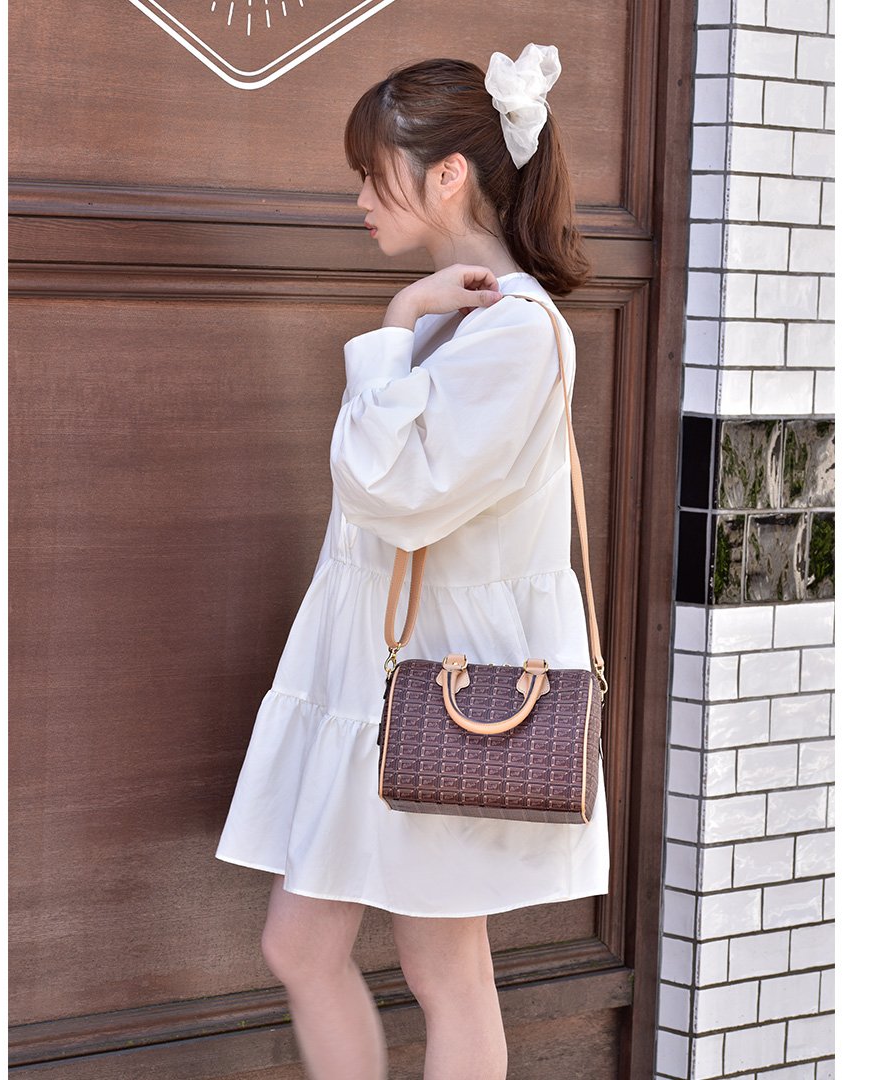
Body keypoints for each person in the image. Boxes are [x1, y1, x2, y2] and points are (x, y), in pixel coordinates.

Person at [214, 43, 610, 1080]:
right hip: (384, 672)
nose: (358, 198)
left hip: (446, 688)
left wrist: (395, 324)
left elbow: (392, 493)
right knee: (304, 947)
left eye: (371, 171)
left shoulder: (516, 332)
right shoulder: (465, 317)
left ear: (448, 174)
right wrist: (414, 320)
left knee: (444, 967)